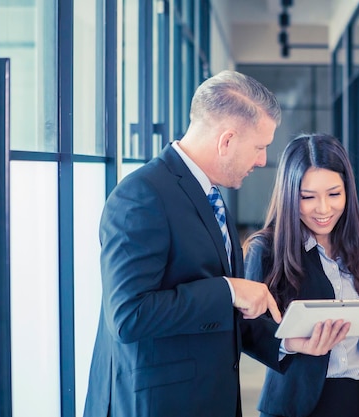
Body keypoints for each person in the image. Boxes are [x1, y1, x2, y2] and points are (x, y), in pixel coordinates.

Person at [84, 69, 286, 417]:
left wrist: (286, 344)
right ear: (226, 140)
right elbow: (128, 315)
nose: (262, 160)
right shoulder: (140, 195)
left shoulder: (209, 194)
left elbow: (217, 316)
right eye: (259, 147)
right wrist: (228, 290)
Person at [244, 133, 359, 417]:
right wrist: (290, 343)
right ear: (290, 195)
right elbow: (247, 331)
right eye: (307, 197)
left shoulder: (357, 249)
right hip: (295, 406)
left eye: (334, 194)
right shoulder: (267, 249)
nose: (324, 209)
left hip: (355, 402)